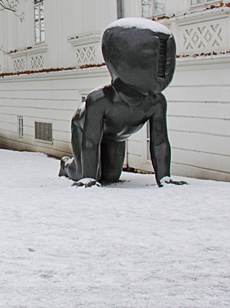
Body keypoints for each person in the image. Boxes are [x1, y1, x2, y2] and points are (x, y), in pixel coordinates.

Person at [59, 18, 186, 187]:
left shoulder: (156, 102)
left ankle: (88, 170)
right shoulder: (100, 100)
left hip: (115, 137)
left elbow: (160, 142)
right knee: (89, 173)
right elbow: (91, 141)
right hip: (84, 130)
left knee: (111, 176)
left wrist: (164, 178)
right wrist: (88, 178)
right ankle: (66, 166)